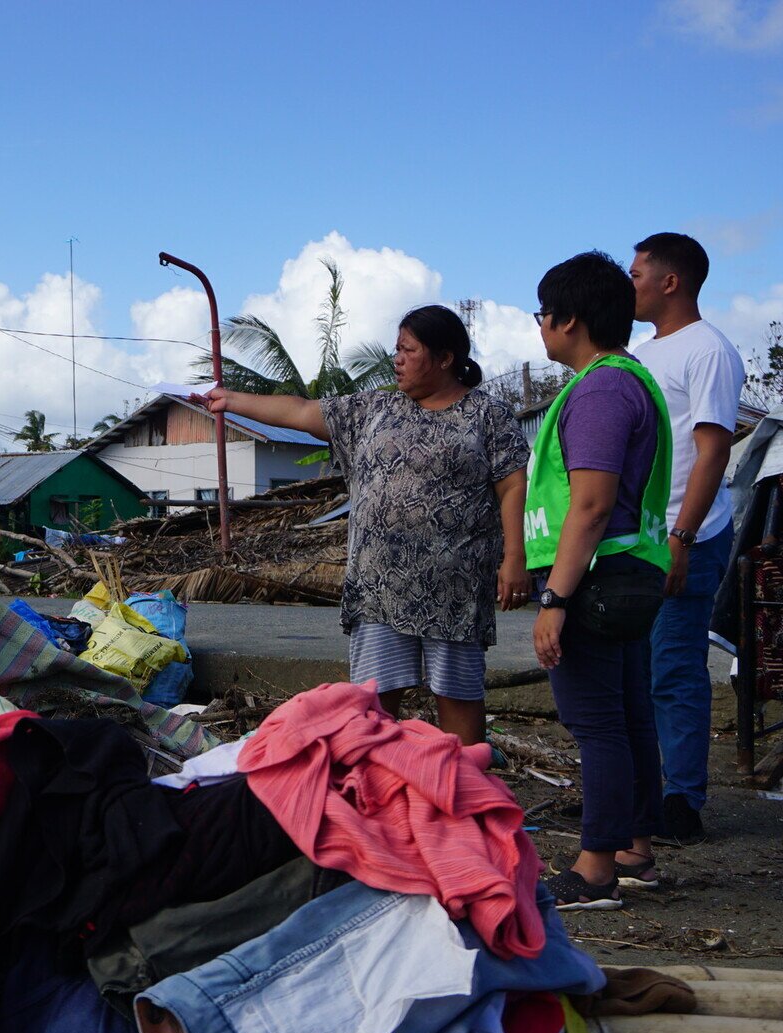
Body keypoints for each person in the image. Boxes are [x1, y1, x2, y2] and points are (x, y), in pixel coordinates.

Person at [202, 304, 529, 746]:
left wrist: (515, 558)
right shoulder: (373, 407)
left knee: (459, 698)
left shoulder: (488, 415)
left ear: (445, 357)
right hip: (379, 589)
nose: (396, 359)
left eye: (407, 350)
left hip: (455, 590)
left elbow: (512, 486)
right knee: (373, 708)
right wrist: (230, 399)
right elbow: (299, 410)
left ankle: (467, 801)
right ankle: (376, 799)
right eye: (396, 349)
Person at [526, 251, 673, 911]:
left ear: (569, 320)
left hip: (597, 577)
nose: (539, 324)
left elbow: (588, 504)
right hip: (630, 570)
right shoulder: (628, 379)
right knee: (629, 714)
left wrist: (554, 598)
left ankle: (594, 870)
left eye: (542, 313)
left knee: (598, 724)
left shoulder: (601, 389)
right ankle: (633, 848)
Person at [630, 233, 745, 845]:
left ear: (670, 282)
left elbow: (712, 450)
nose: (631, 285)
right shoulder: (643, 355)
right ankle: (636, 797)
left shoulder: (708, 351)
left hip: (686, 535)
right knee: (632, 669)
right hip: (638, 536)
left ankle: (681, 803)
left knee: (673, 669)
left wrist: (682, 536)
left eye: (638, 274)